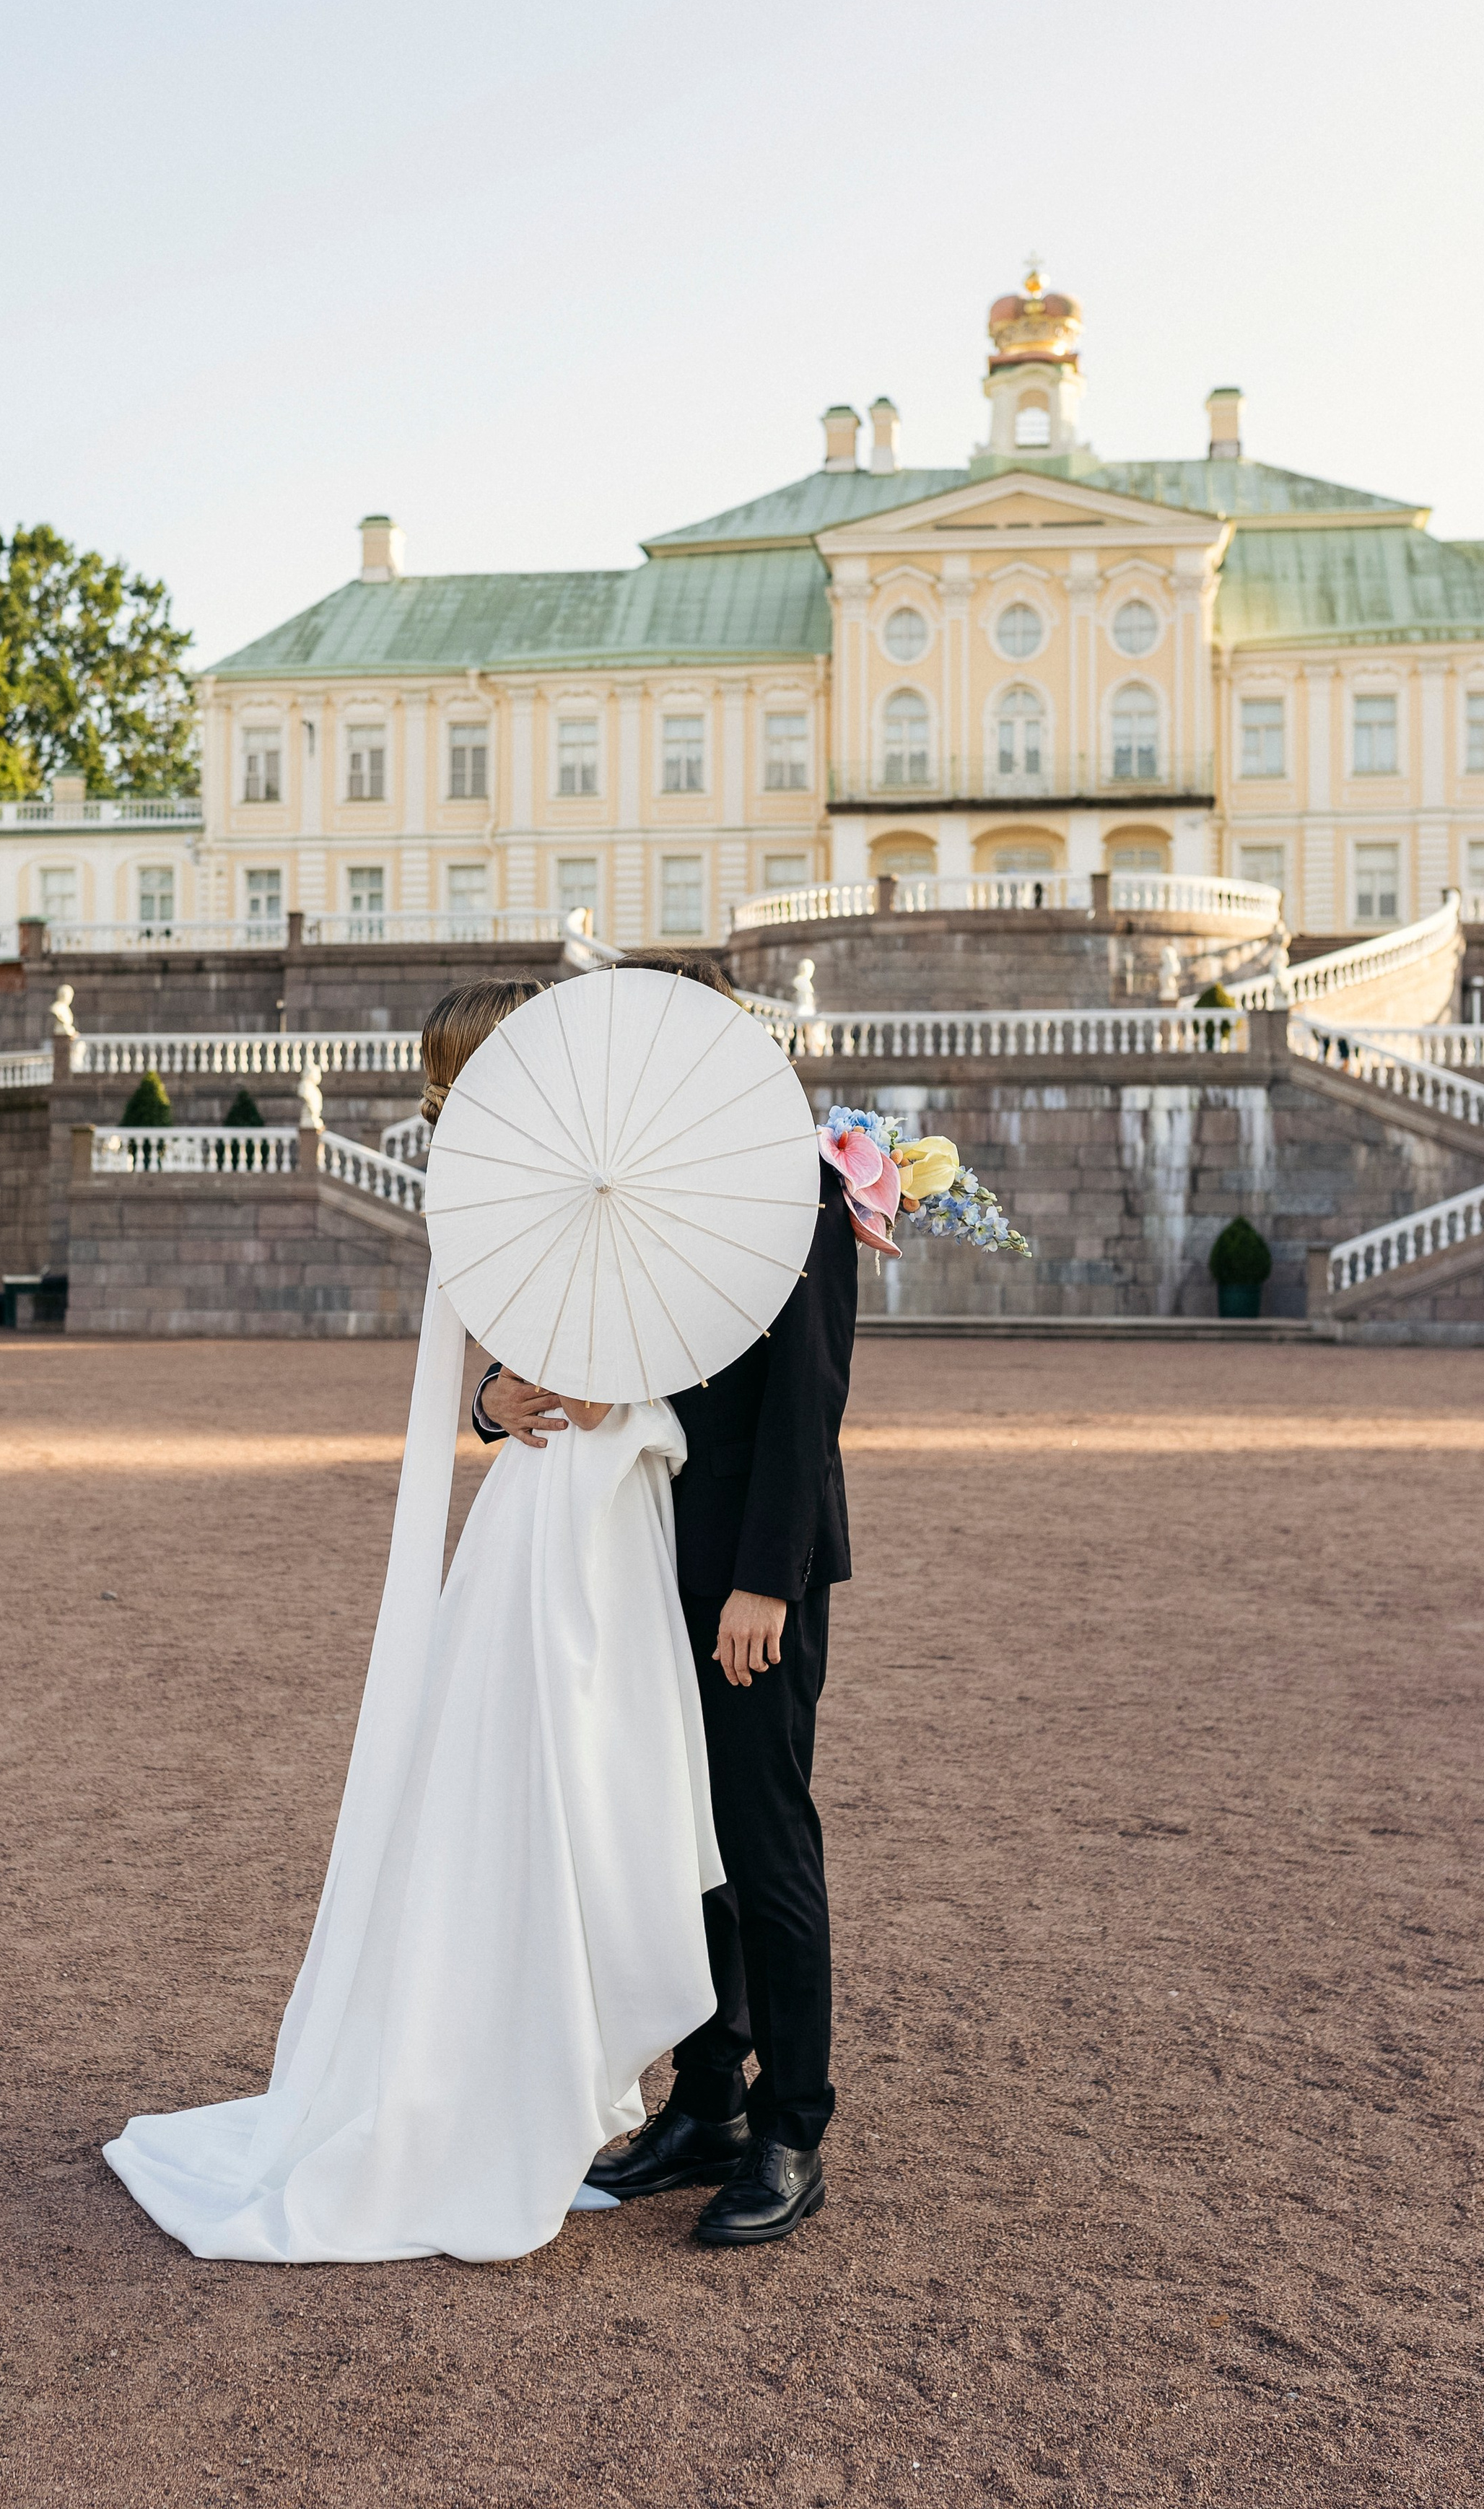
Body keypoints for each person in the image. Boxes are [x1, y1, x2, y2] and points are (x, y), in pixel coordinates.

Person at [102, 978, 724, 2263]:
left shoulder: (569, 1171)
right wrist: (519, 1395)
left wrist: (548, 1397)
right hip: (559, 1524)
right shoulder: (496, 1185)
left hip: (600, 1517)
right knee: (545, 1790)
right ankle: (504, 2089)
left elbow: (574, 1365)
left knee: (590, 1787)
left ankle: (545, 2076)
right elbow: (488, 1377)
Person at [476, 950, 857, 2247]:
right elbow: (549, 1337)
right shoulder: (630, 1182)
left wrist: (766, 1580)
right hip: (634, 1556)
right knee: (671, 1846)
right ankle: (707, 2102)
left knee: (759, 1841)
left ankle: (793, 2123)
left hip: (752, 1573)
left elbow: (808, 1405)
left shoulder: (798, 1177)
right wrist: (497, 1397)